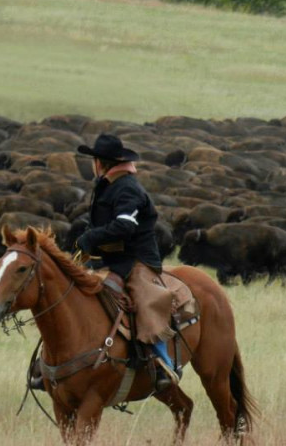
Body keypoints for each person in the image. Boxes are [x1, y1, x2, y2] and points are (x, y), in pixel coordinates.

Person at [74, 133, 178, 392]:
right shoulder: (106, 185)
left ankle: (162, 364)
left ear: (101, 162)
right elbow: (101, 223)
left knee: (145, 302)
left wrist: (91, 237)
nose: (92, 165)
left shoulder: (128, 187)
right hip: (109, 259)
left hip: (136, 260)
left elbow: (124, 226)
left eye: (94, 160)